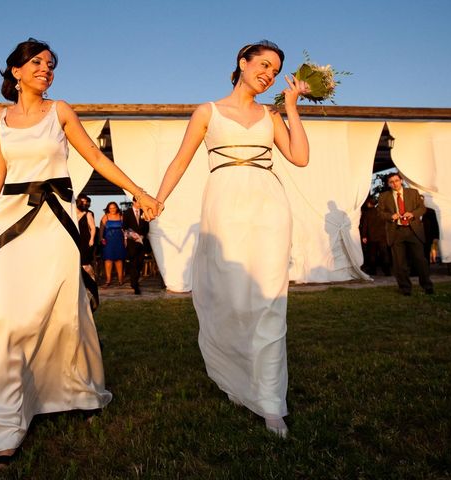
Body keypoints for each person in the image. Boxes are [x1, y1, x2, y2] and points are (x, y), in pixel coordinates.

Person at [0, 38, 161, 468]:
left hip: (55, 226)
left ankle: (72, 392)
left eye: (50, 64)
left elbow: (94, 156)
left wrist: (139, 192)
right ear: (15, 72)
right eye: (36, 62)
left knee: (61, 313)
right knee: (1, 315)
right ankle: (0, 420)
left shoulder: (60, 111)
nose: (46, 68)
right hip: (12, 225)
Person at [155, 41, 309, 438]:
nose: (268, 73)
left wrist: (291, 106)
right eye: (263, 64)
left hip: (269, 208)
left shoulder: (271, 114)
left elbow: (300, 156)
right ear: (242, 63)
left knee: (269, 301)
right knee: (229, 298)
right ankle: (238, 379)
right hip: (223, 207)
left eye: (275, 70)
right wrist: (157, 199)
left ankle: (272, 402)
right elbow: (181, 159)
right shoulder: (208, 111)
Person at [377, 171, 434, 295]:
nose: (395, 184)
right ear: (388, 184)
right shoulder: (384, 196)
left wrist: (412, 214)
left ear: (401, 181)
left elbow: (422, 208)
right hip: (395, 232)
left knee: (420, 260)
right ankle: (405, 288)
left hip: (412, 231)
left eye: (397, 181)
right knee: (399, 263)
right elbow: (380, 213)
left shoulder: (412, 193)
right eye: (391, 182)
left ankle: (427, 286)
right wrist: (391, 216)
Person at [122, 198, 150, 294]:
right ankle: (134, 284)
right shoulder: (127, 212)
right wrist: (133, 236)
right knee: (133, 262)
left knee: (140, 263)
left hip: (142, 241)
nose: (140, 204)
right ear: (134, 202)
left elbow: (147, 226)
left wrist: (142, 235)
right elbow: (124, 227)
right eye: (138, 202)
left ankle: (135, 280)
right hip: (132, 242)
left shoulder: (144, 212)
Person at [359, 195, 390, 275]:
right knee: (384, 253)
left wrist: (364, 236)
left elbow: (365, 225)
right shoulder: (382, 212)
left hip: (372, 236)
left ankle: (373, 270)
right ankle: (387, 271)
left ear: (369, 203)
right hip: (383, 236)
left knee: (372, 254)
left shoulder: (367, 213)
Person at [99, 202, 126, 286]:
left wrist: (125, 240)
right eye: (110, 208)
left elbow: (125, 229)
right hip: (108, 240)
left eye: (114, 208)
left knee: (119, 260)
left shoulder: (121, 216)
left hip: (119, 240)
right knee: (108, 260)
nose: (112, 209)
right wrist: (101, 238)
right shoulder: (105, 216)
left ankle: (120, 279)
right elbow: (101, 229)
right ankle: (108, 280)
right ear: (108, 209)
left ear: (117, 208)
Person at [76, 193, 96, 278]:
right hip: (74, 240)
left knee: (85, 264)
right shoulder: (71, 212)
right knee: (76, 263)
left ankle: (92, 278)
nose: (84, 203)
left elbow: (93, 228)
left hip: (85, 241)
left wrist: (91, 239)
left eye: (86, 202)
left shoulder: (88, 214)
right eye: (82, 201)